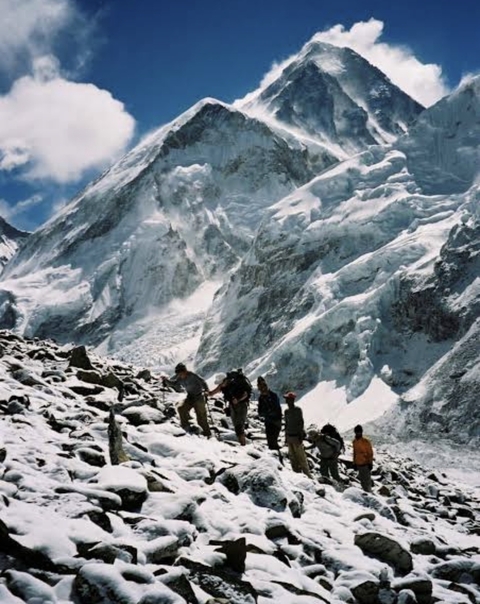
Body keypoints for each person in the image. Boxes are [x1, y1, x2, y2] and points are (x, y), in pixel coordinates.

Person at [162, 363, 211, 437]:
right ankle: (186, 427)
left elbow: (203, 382)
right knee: (181, 409)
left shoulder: (192, 375)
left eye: (180, 373)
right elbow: (174, 384)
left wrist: (207, 390)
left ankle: (207, 434)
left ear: (185, 371)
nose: (179, 375)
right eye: (178, 373)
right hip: (190, 397)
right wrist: (166, 381)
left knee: (201, 417)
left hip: (199, 398)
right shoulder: (180, 378)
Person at [209, 370, 251, 445]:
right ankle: (241, 442)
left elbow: (246, 394)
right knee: (236, 425)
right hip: (232, 405)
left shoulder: (236, 384)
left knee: (239, 426)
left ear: (225, 380)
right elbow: (214, 392)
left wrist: (238, 400)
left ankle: (243, 444)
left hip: (241, 405)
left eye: (221, 384)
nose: (221, 385)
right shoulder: (223, 386)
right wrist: (208, 393)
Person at [284, 392, 311, 477]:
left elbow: (300, 423)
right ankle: (297, 474)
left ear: (292, 400)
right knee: (292, 457)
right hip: (289, 436)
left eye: (288, 399)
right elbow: (286, 423)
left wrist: (300, 435)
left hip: (296, 436)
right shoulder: (286, 411)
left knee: (301, 457)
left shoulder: (297, 410)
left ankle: (307, 474)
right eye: (287, 399)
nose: (287, 401)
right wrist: (286, 436)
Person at [257, 376, 282, 450]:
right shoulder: (262, 398)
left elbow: (276, 409)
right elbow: (260, 411)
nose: (262, 390)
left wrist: (266, 413)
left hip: (275, 421)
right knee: (271, 441)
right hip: (269, 421)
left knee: (273, 439)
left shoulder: (273, 396)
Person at [352, 424, 374, 492]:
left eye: (359, 432)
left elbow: (370, 453)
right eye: (357, 432)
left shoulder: (366, 441)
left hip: (365, 464)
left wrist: (370, 463)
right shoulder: (354, 442)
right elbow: (355, 453)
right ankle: (365, 492)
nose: (358, 433)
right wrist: (354, 463)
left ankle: (369, 492)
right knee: (362, 481)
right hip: (359, 464)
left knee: (367, 480)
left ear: (361, 432)